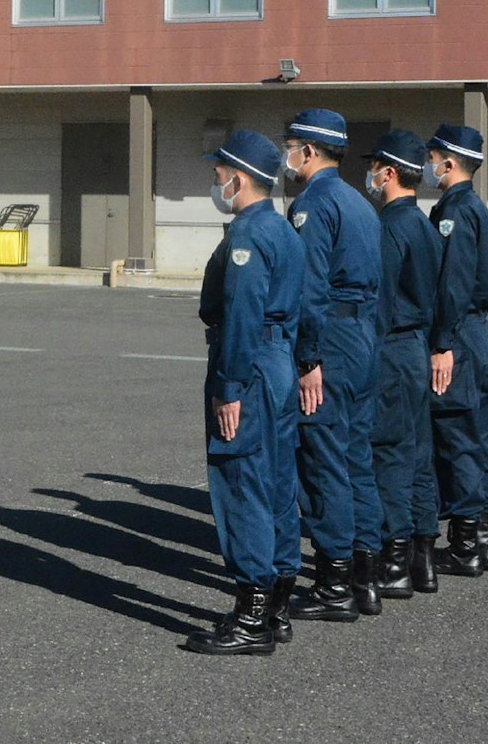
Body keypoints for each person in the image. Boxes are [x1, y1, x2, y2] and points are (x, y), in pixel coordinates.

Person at [186, 130, 303, 657]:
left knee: (243, 484)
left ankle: (251, 616)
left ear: (239, 177)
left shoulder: (248, 236)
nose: (215, 182)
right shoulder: (282, 229)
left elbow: (241, 315)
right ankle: (276, 605)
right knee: (277, 482)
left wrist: (229, 387)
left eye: (219, 174)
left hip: (249, 364)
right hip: (277, 362)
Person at [280, 109, 383, 623]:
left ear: (310, 151)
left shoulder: (314, 204)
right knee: (356, 456)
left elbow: (310, 286)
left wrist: (308, 358)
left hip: (333, 340)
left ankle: (334, 584)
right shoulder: (359, 203)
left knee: (323, 460)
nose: (287, 154)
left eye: (291, 144)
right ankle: (365, 575)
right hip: (363, 335)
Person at [363, 132, 442, 601]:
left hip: (393, 346)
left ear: (389, 172)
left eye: (374, 166)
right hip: (416, 345)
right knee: (417, 452)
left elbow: (382, 299)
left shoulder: (391, 225)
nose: (370, 174)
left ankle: (393, 559)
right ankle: (421, 556)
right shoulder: (424, 224)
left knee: (389, 452)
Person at [423, 124, 488, 577]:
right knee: (477, 431)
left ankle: (467, 543)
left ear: (448, 163)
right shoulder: (475, 207)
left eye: (433, 158)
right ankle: (481, 537)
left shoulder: (455, 210)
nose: (429, 166)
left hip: (459, 335)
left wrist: (442, 343)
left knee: (456, 435)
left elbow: (453, 284)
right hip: (474, 333)